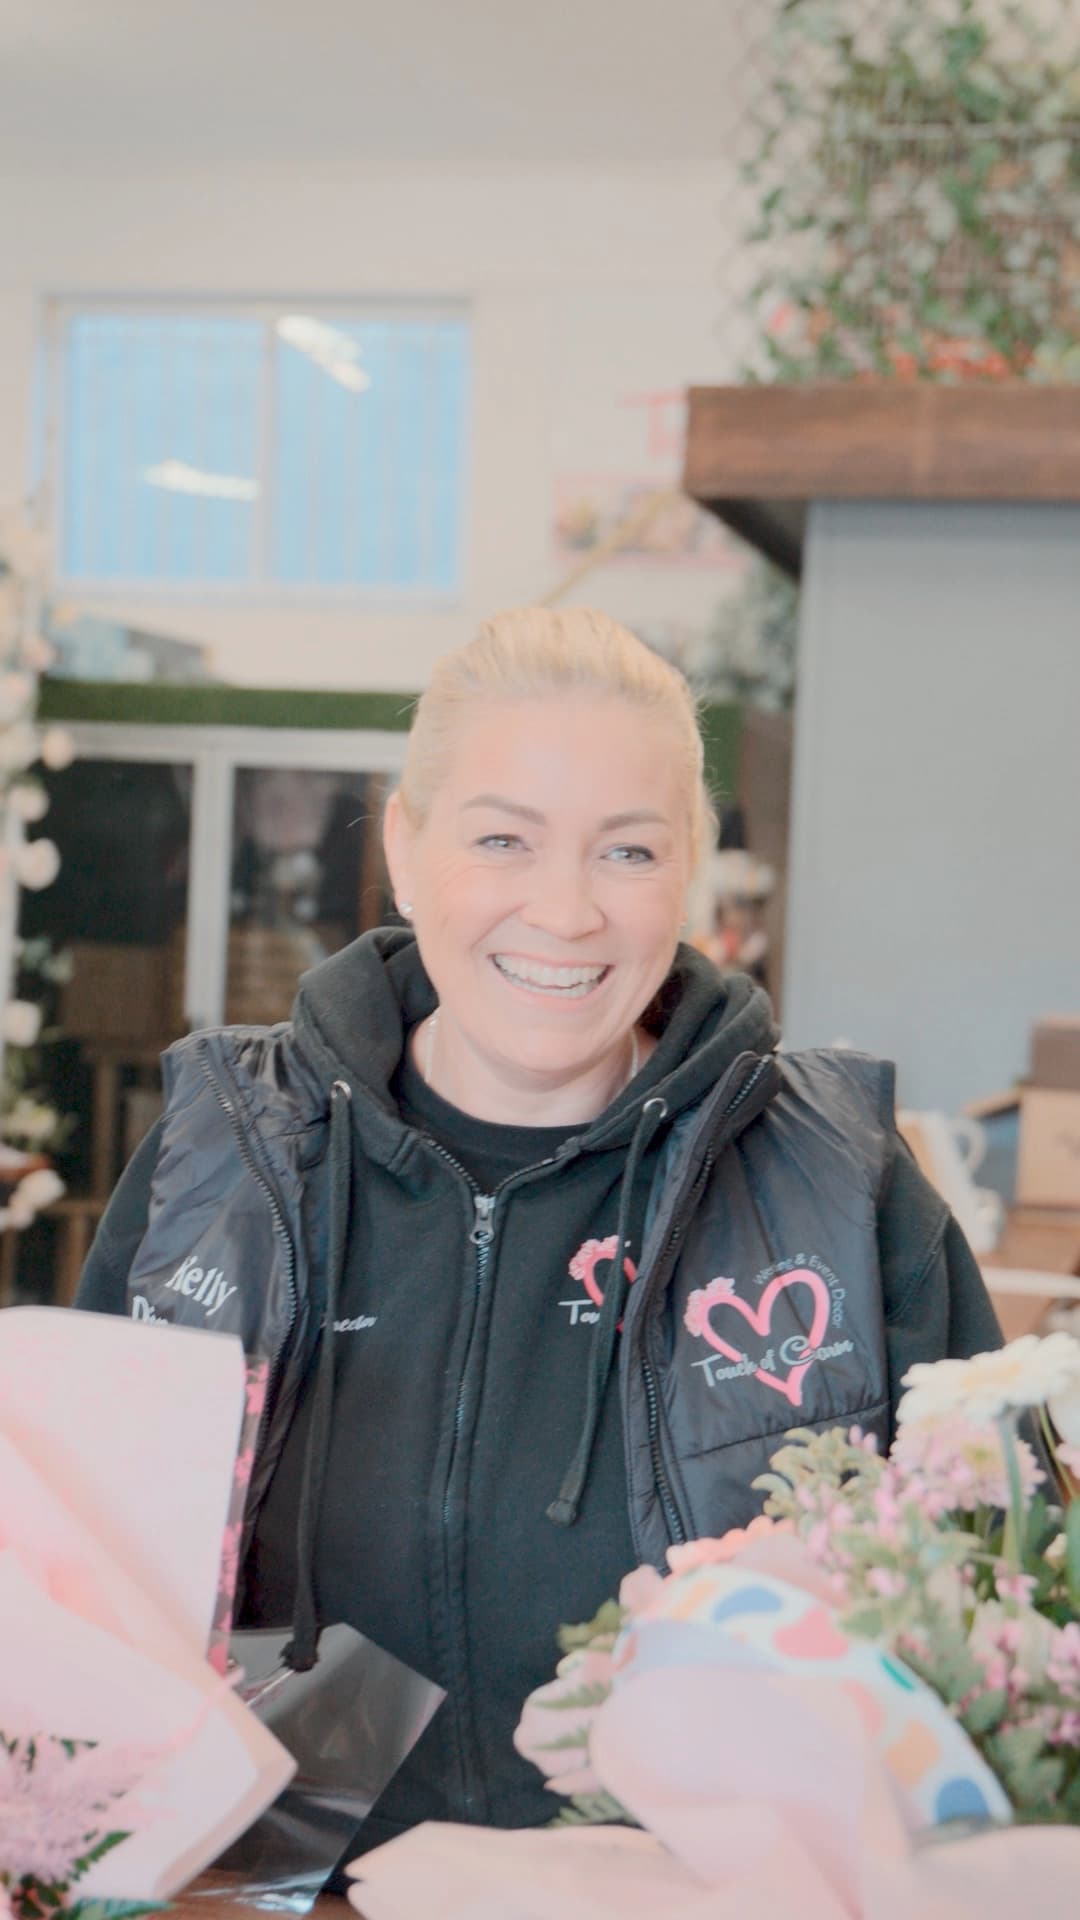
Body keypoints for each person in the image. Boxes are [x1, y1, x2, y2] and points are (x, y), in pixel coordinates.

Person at [75, 607, 1002, 1855]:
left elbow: (989, 1615)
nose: (564, 911)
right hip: (258, 1895)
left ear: (689, 871)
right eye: (503, 839)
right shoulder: (228, 1160)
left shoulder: (840, 1187)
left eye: (628, 851)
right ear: (405, 847)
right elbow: (72, 1598)